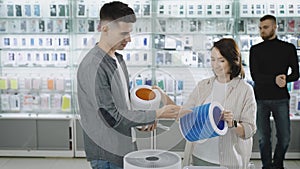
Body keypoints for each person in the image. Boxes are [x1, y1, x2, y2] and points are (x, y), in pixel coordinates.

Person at [76, 1, 183, 169]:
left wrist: (141, 121)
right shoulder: (93, 66)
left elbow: (122, 105)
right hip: (107, 153)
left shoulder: (117, 59)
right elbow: (111, 117)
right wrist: (155, 114)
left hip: (125, 145)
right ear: (104, 29)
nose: (129, 39)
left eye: (130, 33)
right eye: (123, 33)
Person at [178, 38, 257, 169]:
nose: (215, 65)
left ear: (232, 61)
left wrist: (233, 123)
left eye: (221, 60)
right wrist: (164, 100)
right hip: (198, 155)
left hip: (228, 160)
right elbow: (185, 114)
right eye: (213, 59)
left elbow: (249, 130)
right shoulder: (203, 85)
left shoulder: (245, 90)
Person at [249, 15, 299, 169]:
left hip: (281, 99)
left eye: (265, 27)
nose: (262, 31)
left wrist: (286, 79)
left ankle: (277, 164)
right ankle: (266, 166)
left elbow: (296, 73)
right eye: (260, 28)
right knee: (263, 138)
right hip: (260, 99)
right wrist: (274, 79)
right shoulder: (255, 49)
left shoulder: (288, 48)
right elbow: (255, 76)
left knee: (284, 137)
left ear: (275, 27)